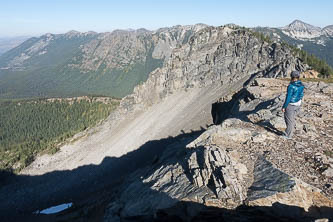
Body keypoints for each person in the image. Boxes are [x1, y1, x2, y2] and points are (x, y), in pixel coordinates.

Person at [282, 70, 304, 139]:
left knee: (288, 119)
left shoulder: (291, 86)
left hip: (291, 104)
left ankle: (288, 135)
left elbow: (288, 97)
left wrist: (284, 106)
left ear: (291, 77)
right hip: (298, 104)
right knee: (292, 119)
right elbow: (301, 94)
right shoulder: (301, 85)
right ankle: (290, 132)